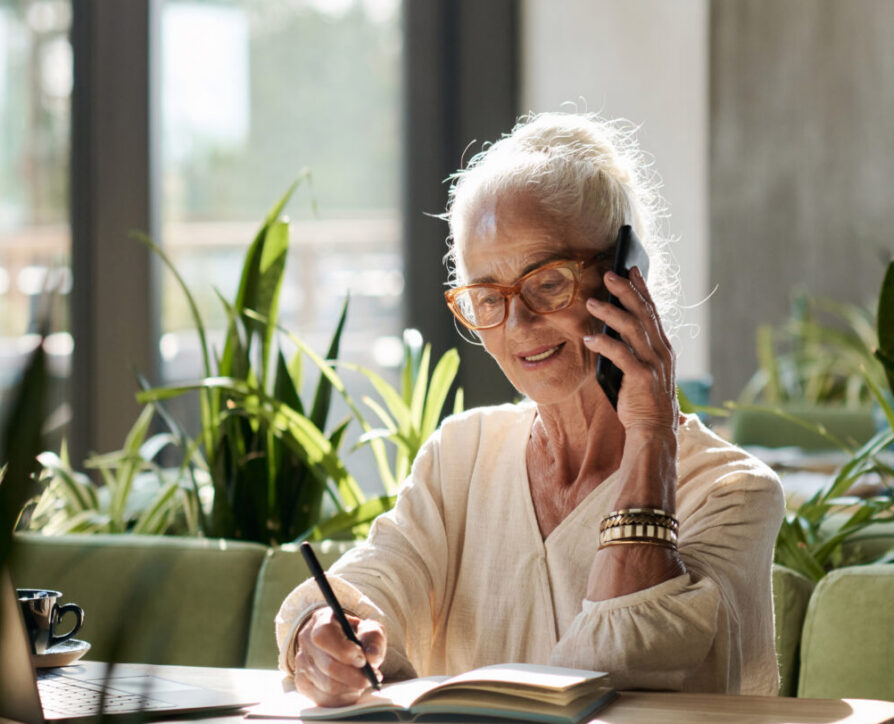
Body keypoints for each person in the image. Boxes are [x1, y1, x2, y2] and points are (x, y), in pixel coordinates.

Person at [275, 112, 785, 704]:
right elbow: (374, 582)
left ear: (627, 277)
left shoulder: (732, 493)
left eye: (546, 282)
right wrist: (324, 640)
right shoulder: (460, 456)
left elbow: (624, 665)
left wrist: (651, 437)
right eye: (488, 296)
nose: (516, 324)